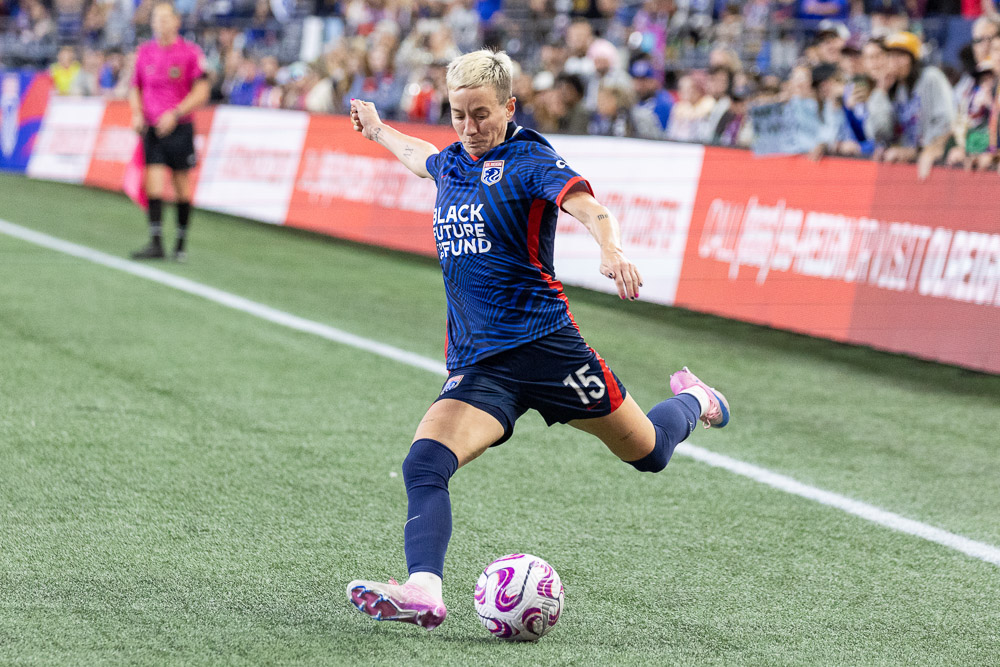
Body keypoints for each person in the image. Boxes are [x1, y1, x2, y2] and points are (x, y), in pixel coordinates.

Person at [345, 49, 731, 631]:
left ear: (508, 105)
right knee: (424, 463)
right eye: (458, 115)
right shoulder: (452, 162)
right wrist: (377, 130)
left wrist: (612, 249)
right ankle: (423, 587)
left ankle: (696, 400)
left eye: (482, 114)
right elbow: (419, 155)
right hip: (482, 365)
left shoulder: (529, 159)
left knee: (648, 453)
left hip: (549, 350)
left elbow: (589, 207)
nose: (470, 129)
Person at [128, 1, 210, 261]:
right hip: (152, 127)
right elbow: (135, 87)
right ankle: (156, 242)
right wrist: (138, 113)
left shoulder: (190, 53)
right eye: (156, 18)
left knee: (181, 185)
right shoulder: (144, 52)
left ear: (177, 22)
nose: (160, 23)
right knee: (152, 181)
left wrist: (175, 113)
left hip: (179, 127)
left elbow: (202, 91)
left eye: (165, 18)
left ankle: (181, 244)